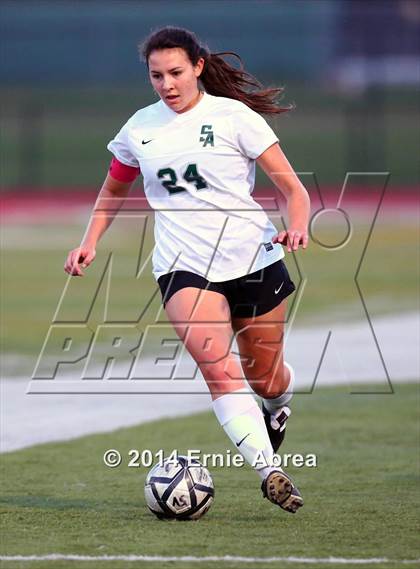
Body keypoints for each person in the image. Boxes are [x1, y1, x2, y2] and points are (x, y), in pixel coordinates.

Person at [64, 26, 310, 514]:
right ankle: (270, 472)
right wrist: (89, 240)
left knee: (266, 379)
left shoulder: (233, 116)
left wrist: (298, 225)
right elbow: (114, 188)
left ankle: (277, 405)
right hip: (182, 266)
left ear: (198, 67)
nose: (167, 84)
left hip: (253, 257)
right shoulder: (140, 128)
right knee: (219, 371)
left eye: (175, 72)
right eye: (156, 75)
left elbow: (294, 190)